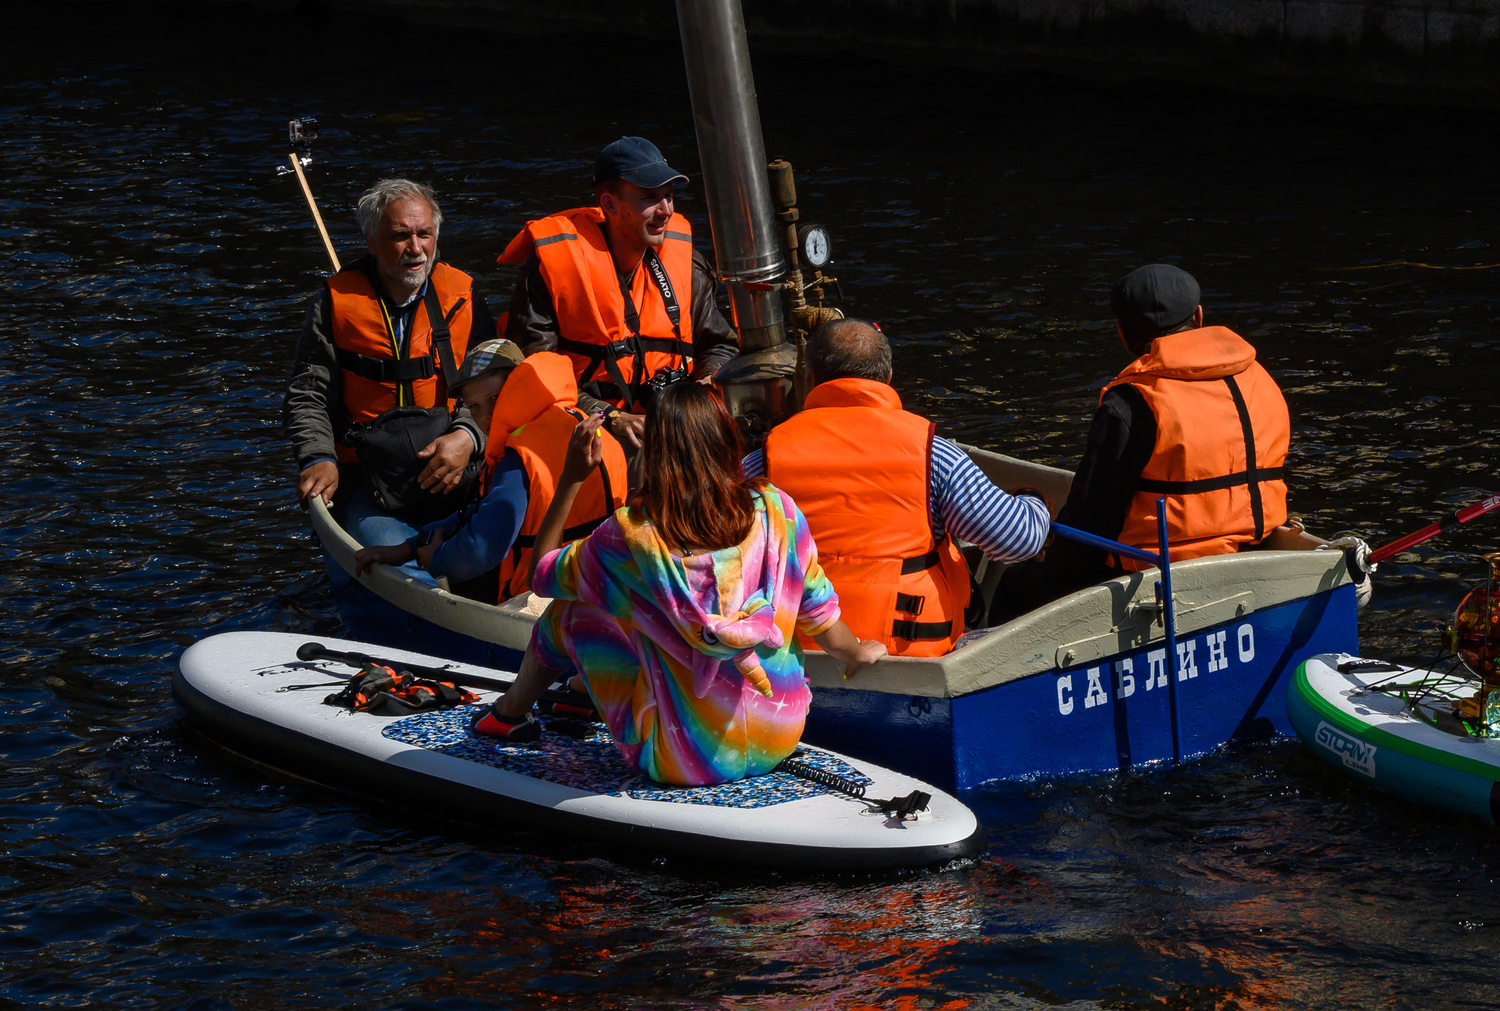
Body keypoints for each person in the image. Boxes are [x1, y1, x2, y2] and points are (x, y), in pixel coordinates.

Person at [470, 381, 888, 786]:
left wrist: (572, 477)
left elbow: (541, 576)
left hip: (679, 758)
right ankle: (578, 695)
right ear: (728, 442)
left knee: (574, 607)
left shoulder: (632, 535)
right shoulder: (779, 511)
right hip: (778, 734)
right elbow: (820, 617)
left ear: (654, 454)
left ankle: (508, 714)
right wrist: (856, 651)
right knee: (620, 598)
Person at [991, 263, 1290, 618]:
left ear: (1121, 333)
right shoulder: (1259, 378)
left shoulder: (1132, 404)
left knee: (1015, 584)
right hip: (1252, 557)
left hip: (1155, 575)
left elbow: (1093, 515)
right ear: (1199, 315)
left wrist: (1049, 562)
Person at [756, 320, 1052, 657]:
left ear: (810, 378)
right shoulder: (932, 454)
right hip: (912, 659)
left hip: (796, 658)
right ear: (888, 376)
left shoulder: (764, 459)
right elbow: (1018, 541)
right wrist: (1035, 502)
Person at [285, 177, 482, 586]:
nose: (416, 249)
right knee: (399, 570)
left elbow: (503, 388)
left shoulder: (463, 296)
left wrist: (468, 435)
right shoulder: (332, 304)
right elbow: (308, 394)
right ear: (371, 241)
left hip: (451, 473)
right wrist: (318, 456)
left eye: (424, 234)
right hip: (368, 483)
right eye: (399, 236)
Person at [497, 136, 738, 455]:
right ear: (609, 204)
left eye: (669, 196)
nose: (665, 210)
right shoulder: (550, 268)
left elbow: (720, 343)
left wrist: (706, 384)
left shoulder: (687, 265)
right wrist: (610, 417)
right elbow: (536, 376)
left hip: (678, 423)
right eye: (649, 198)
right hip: (593, 433)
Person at [348, 338, 632, 603]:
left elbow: (481, 550)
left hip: (536, 598)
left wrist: (435, 559)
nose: (485, 415)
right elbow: (485, 510)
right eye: (473, 406)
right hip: (604, 582)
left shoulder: (520, 456)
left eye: (495, 398)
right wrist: (409, 547)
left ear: (520, 385)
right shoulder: (589, 427)